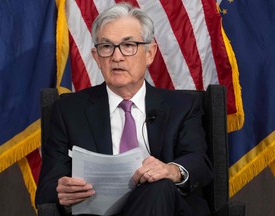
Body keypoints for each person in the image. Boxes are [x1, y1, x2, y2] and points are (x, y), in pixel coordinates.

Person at [36, 2, 213, 216]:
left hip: (167, 207)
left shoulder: (182, 106)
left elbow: (199, 163)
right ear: (96, 57)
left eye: (128, 45)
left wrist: (171, 170)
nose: (117, 57)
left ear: (150, 53)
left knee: (159, 186)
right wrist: (61, 191)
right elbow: (47, 188)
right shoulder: (68, 111)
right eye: (106, 46)